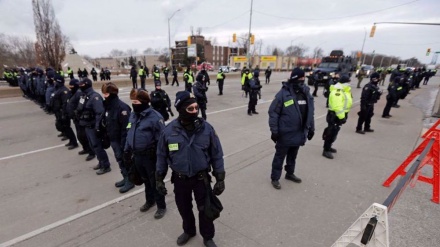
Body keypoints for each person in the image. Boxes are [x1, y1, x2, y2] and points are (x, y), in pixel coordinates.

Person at [156, 91, 225, 247]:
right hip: (180, 179)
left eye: (196, 108)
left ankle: (207, 236)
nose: (195, 111)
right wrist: (159, 178)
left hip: (201, 178)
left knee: (205, 209)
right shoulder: (168, 131)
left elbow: (216, 154)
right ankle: (189, 231)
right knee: (184, 207)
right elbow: (161, 155)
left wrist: (220, 178)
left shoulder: (206, 129)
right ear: (181, 109)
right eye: (190, 109)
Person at [268, 68, 315, 189]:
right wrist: (274, 131)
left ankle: (290, 173)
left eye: (303, 78)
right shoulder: (283, 94)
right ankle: (275, 177)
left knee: (293, 155)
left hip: (300, 133)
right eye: (300, 78)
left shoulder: (306, 92)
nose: (302, 80)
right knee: (280, 156)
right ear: (294, 78)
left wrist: (311, 128)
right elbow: (273, 113)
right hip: (285, 133)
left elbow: (310, 112)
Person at [125, 88, 167, 219]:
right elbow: (129, 132)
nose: (133, 104)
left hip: (150, 156)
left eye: (136, 101)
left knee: (155, 181)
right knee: (145, 180)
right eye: (132, 101)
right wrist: (127, 149)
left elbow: (162, 140)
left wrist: (160, 158)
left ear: (144, 102)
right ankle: (150, 201)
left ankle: (161, 206)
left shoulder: (155, 118)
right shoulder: (133, 115)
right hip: (137, 155)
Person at [102, 82, 134, 193]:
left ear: (111, 94)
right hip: (113, 139)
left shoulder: (122, 108)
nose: (104, 96)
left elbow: (126, 128)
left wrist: (124, 144)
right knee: (119, 160)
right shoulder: (108, 107)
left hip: (122, 140)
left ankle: (130, 180)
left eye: (105, 93)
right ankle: (125, 177)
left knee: (126, 160)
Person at [77, 78, 111, 174]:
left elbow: (99, 113)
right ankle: (101, 162)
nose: (80, 86)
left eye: (82, 85)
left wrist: (97, 127)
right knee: (92, 146)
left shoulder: (94, 97)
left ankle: (106, 165)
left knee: (97, 146)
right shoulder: (85, 96)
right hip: (87, 125)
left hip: (93, 126)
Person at [322, 75, 353, 159]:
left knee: (335, 132)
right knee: (331, 132)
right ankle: (326, 149)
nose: (350, 83)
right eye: (349, 81)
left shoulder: (345, 90)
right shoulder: (338, 91)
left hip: (340, 114)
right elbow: (337, 106)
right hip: (335, 115)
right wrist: (342, 117)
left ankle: (329, 146)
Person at [66, 79, 95, 161]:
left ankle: (91, 152)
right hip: (76, 118)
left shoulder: (79, 93)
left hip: (80, 118)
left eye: (72, 86)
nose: (70, 87)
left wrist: (78, 114)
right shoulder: (74, 93)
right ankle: (86, 149)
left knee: (84, 136)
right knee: (80, 136)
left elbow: (82, 106)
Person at [52, 74, 78, 150]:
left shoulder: (64, 91)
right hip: (59, 112)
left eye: (55, 81)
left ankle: (74, 142)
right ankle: (71, 140)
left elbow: (65, 103)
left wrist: (64, 113)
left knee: (67, 127)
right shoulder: (58, 89)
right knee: (63, 127)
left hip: (63, 112)